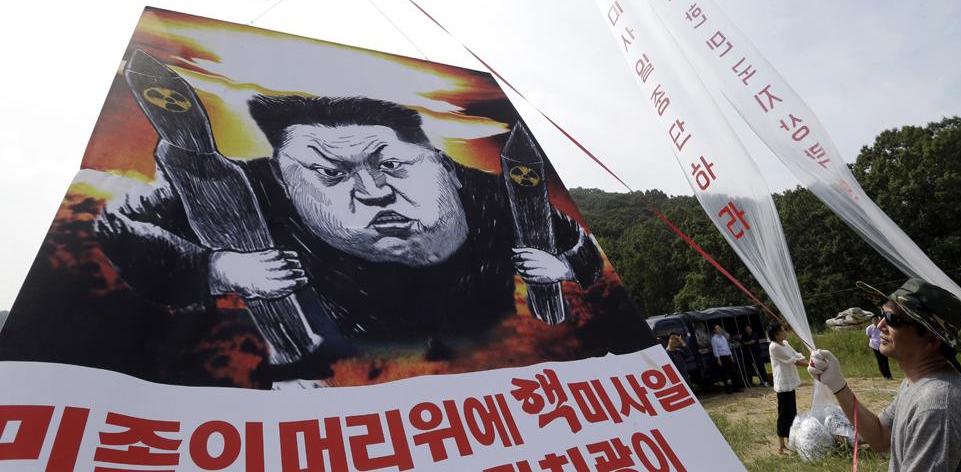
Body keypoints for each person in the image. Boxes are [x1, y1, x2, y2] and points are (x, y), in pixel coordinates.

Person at [96, 95, 607, 363]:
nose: (373, 192)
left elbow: (584, 251)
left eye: (391, 165)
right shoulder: (245, 187)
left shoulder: (497, 196)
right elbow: (116, 223)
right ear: (283, 178)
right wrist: (218, 267)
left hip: (505, 376)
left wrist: (565, 265)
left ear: (443, 163)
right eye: (331, 174)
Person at [808, 278, 961, 471]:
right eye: (882, 315)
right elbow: (881, 437)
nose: (880, 326)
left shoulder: (936, 406)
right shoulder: (917, 382)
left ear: (931, 339)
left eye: (892, 319)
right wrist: (838, 386)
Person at [767, 321, 808, 455]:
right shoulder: (774, 347)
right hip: (783, 385)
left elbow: (796, 355)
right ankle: (781, 446)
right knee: (784, 414)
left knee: (792, 412)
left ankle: (792, 441)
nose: (785, 332)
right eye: (782, 330)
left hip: (789, 383)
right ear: (776, 334)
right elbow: (793, 361)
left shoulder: (785, 344)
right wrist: (811, 365)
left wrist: (811, 359)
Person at [711, 324, 740, 393]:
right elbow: (715, 350)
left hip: (728, 356)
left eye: (719, 328)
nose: (719, 329)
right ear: (714, 330)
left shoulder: (723, 337)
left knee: (733, 372)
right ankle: (728, 389)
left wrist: (731, 355)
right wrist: (718, 359)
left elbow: (727, 347)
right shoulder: (714, 339)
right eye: (717, 328)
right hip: (722, 357)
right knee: (725, 374)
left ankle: (735, 387)